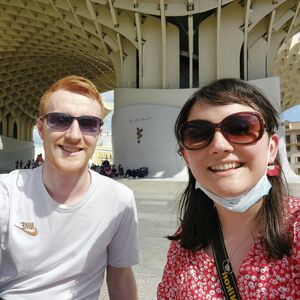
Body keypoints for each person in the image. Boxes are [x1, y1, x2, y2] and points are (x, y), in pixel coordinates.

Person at [157, 78, 299, 299]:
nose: (219, 146)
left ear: (271, 149)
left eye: (241, 128)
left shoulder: (296, 228)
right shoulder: (184, 245)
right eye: (198, 134)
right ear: (186, 157)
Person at [0, 75, 139, 299]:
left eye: (88, 123)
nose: (74, 135)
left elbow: (120, 277)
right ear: (41, 128)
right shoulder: (7, 191)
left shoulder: (119, 200)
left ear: (98, 132)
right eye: (60, 120)